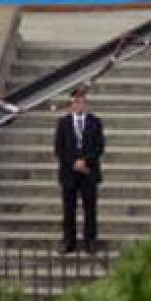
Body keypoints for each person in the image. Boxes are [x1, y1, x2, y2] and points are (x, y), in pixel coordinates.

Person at [54, 87, 104, 254]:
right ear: (72, 104)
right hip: (69, 173)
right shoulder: (63, 123)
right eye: (76, 101)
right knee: (69, 208)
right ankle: (69, 241)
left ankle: (90, 240)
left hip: (88, 172)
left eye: (82, 101)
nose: (79, 104)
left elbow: (99, 147)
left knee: (90, 208)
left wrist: (85, 161)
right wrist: (74, 162)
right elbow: (59, 149)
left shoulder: (95, 122)